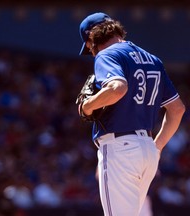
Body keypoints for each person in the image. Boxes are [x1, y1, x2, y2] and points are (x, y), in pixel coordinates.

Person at [78, 12, 185, 216]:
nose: (91, 53)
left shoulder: (107, 54)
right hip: (147, 151)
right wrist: (158, 146)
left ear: (92, 37)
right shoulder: (153, 59)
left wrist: (88, 106)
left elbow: (118, 88)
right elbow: (177, 109)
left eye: (89, 47)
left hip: (120, 150)